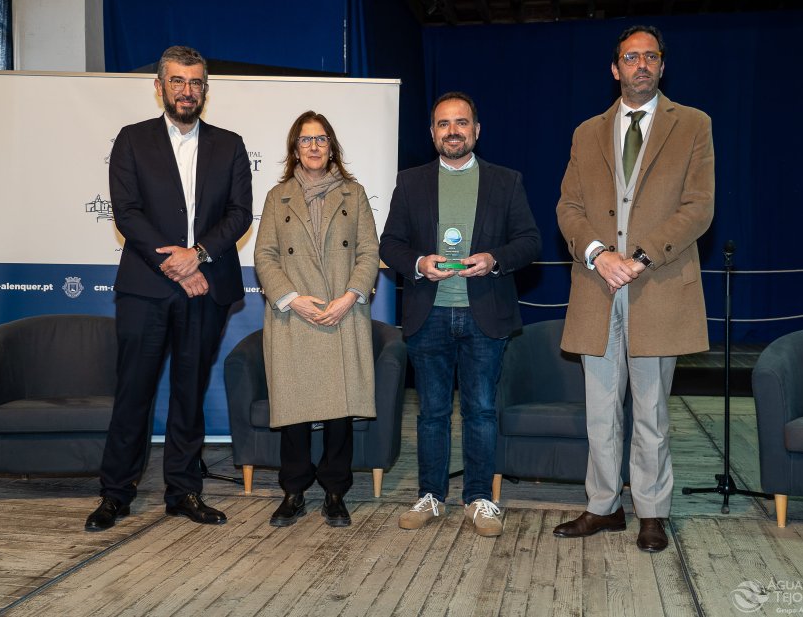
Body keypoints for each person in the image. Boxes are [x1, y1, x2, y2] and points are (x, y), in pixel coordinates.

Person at [555, 25, 714, 552]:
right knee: (601, 412)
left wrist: (641, 257)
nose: (640, 64)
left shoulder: (693, 125)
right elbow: (569, 207)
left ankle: (651, 511)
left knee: (652, 413)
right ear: (615, 68)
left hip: (657, 286)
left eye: (650, 56)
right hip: (596, 287)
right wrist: (599, 255)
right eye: (630, 57)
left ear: (662, 66)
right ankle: (603, 507)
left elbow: (699, 207)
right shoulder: (586, 132)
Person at [85, 46, 253, 531]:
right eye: (177, 81)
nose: (186, 90)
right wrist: (176, 265)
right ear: (159, 87)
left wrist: (197, 254)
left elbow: (239, 213)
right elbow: (127, 213)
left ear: (205, 90)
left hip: (207, 287)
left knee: (189, 392)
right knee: (133, 392)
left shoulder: (230, 145)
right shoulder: (132, 140)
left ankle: (183, 491)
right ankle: (116, 493)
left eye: (195, 82)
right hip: (146, 288)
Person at [380, 91, 541, 537]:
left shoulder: (506, 181)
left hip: (484, 314)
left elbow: (530, 241)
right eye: (444, 124)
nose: (453, 131)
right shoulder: (410, 182)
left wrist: (494, 259)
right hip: (428, 314)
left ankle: (479, 499)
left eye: (462, 122)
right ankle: (431, 496)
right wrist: (418, 263)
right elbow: (389, 244)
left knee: (481, 411)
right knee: (431, 413)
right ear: (432, 133)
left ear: (477, 130)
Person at [253, 111, 379, 528]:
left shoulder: (353, 194)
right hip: (295, 317)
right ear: (295, 148)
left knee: (340, 412)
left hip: (342, 312)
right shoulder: (278, 197)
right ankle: (293, 491)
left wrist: (349, 296)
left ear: (332, 147)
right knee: (295, 409)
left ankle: (335, 492)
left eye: (321, 139)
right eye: (305, 140)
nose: (313, 146)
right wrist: (292, 299)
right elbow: (264, 255)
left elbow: (369, 252)